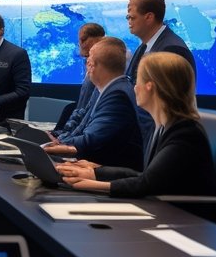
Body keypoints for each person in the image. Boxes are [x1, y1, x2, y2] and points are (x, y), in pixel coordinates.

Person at [56, 52, 216, 206]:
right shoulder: (166, 126)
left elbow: (145, 184)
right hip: (163, 210)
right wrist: (96, 172)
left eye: (137, 81)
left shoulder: (184, 133)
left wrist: (91, 184)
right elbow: (145, 176)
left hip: (185, 222)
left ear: (150, 86)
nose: (134, 88)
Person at [41, 37, 143, 171]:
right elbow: (82, 121)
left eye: (88, 61)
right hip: (90, 160)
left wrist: (59, 143)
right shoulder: (103, 88)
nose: (87, 65)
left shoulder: (118, 96)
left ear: (92, 66)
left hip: (106, 169)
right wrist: (58, 137)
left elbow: (91, 139)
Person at [124, 0, 195, 83]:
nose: (128, 21)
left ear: (149, 17)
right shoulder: (144, 47)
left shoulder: (172, 50)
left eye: (131, 17)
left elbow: (171, 95)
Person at [54, 22, 105, 136]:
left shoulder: (103, 68)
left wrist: (67, 138)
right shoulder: (90, 63)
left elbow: (88, 110)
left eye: (83, 40)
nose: (80, 44)